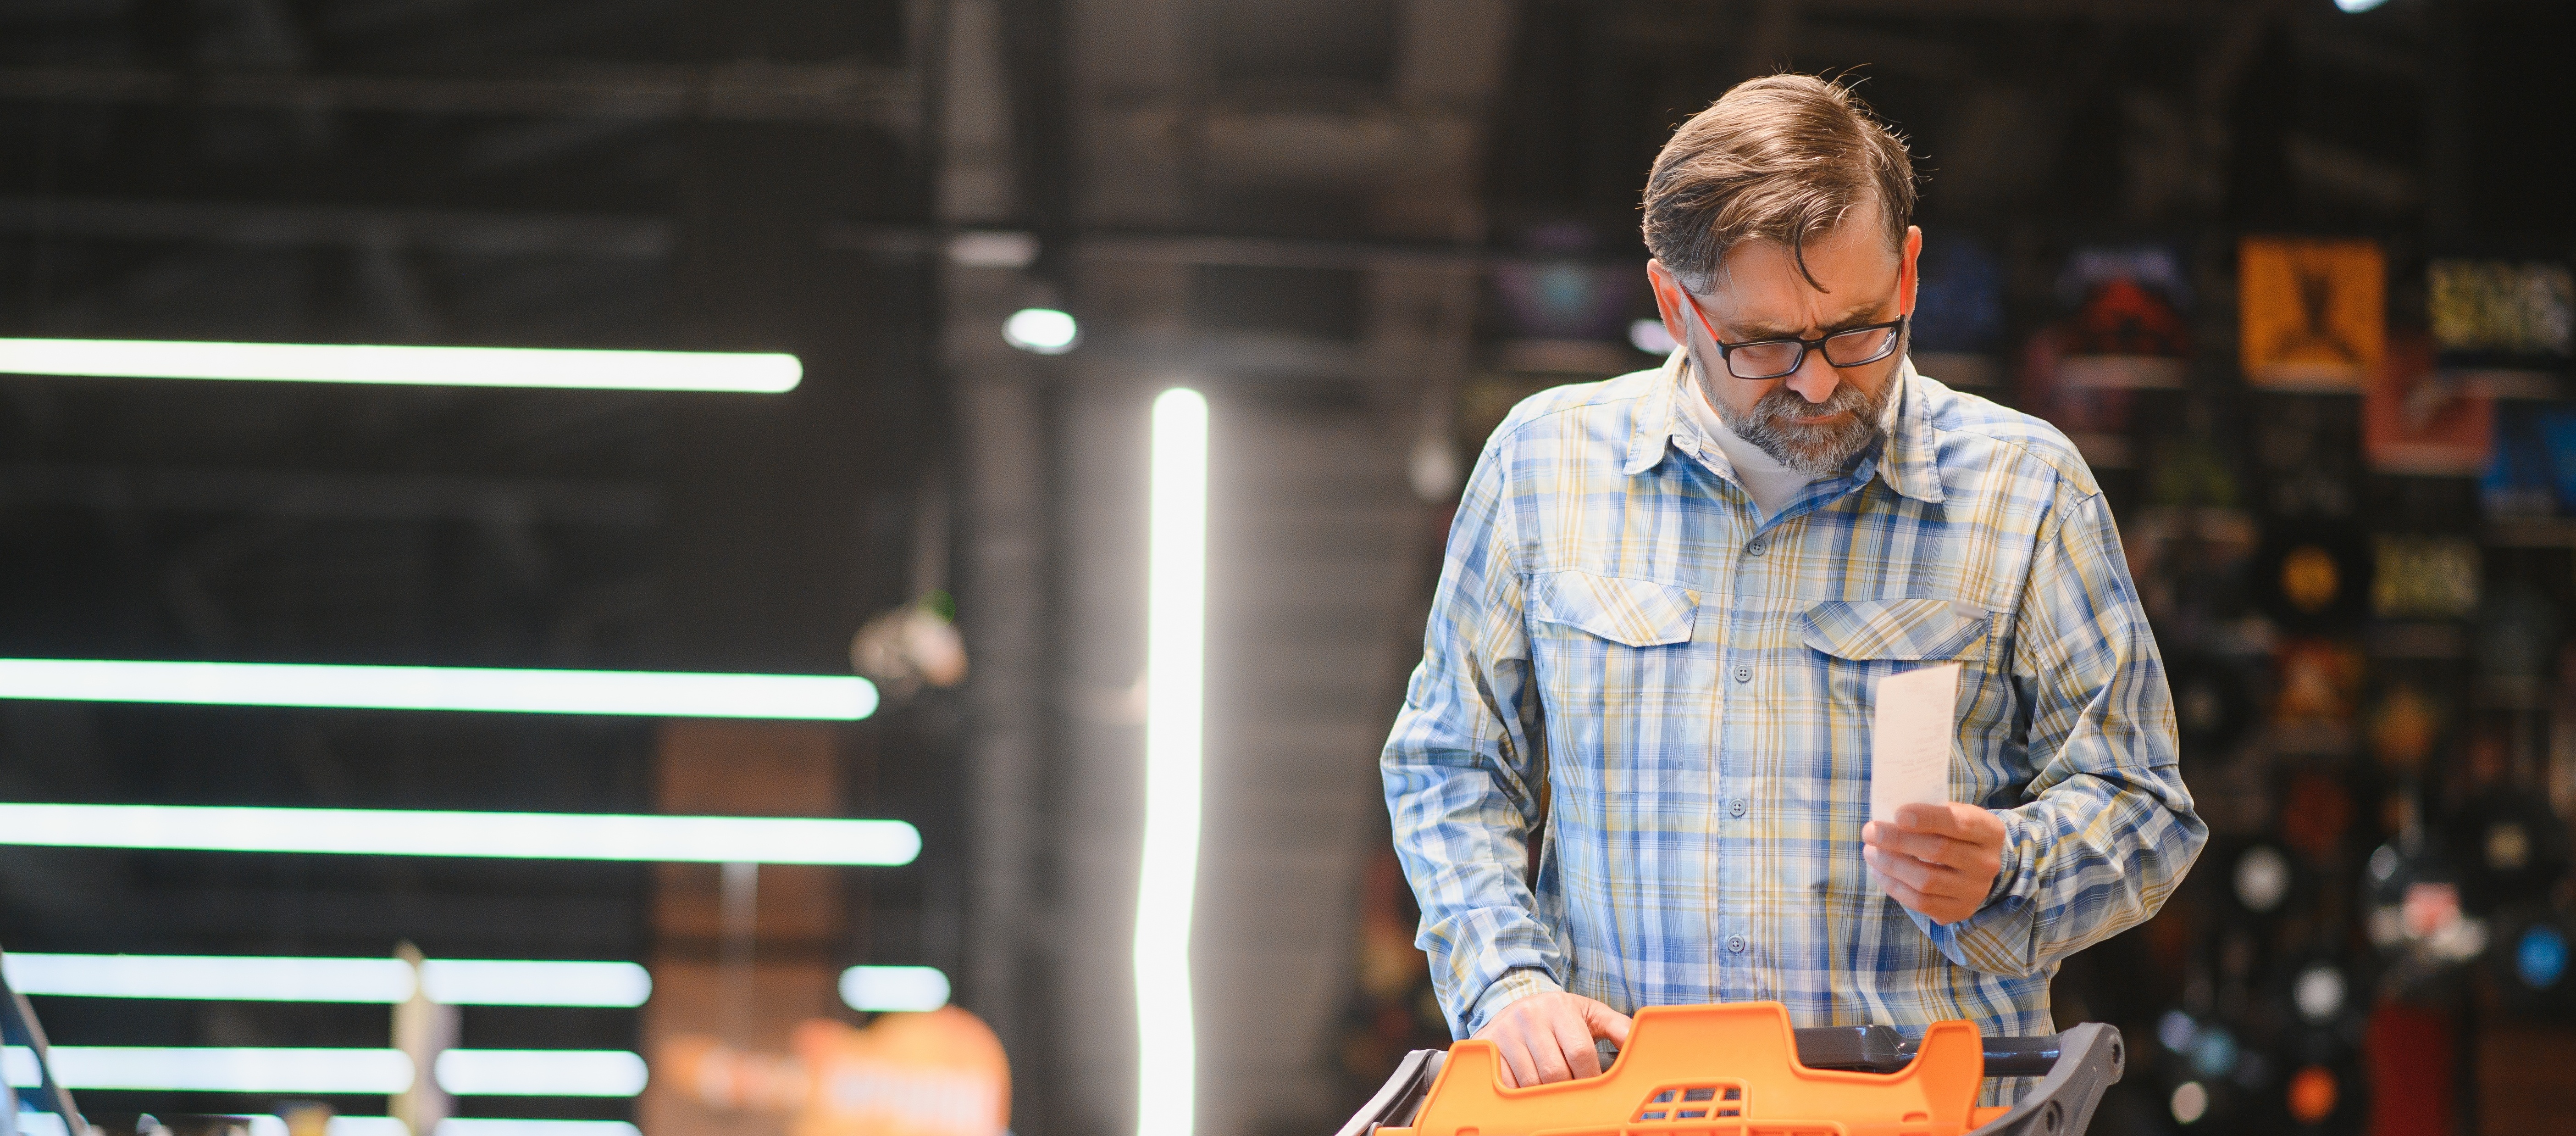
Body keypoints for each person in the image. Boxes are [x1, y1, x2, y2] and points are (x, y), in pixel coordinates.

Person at [1379, 73, 2205, 1092]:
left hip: (1923, 1114)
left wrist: (2013, 863)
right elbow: (1449, 763)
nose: (1817, 380)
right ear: (1675, 305)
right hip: (1632, 1107)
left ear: (1906, 274)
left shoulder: (2024, 490)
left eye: (1858, 329)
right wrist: (1506, 981)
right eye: (1765, 345)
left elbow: (2145, 807)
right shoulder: (1542, 467)